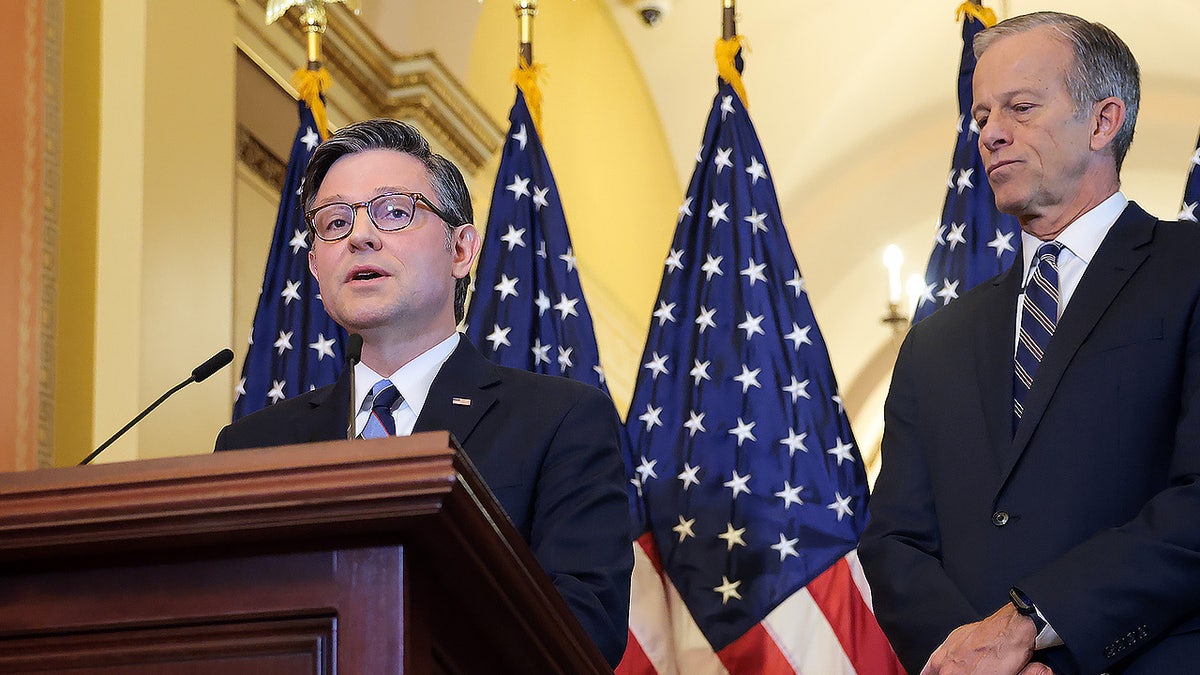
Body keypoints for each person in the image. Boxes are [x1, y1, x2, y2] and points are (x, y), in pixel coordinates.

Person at [214, 118, 632, 666]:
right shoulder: (253, 445)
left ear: (461, 250)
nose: (360, 237)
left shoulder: (559, 420)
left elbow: (584, 626)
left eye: (394, 211)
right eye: (335, 222)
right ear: (315, 266)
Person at [860, 11, 1200, 675]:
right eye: (982, 114)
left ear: (1103, 121)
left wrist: (1031, 622)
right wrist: (973, 656)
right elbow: (895, 540)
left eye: (1020, 107)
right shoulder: (934, 343)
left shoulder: (1187, 269)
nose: (990, 133)